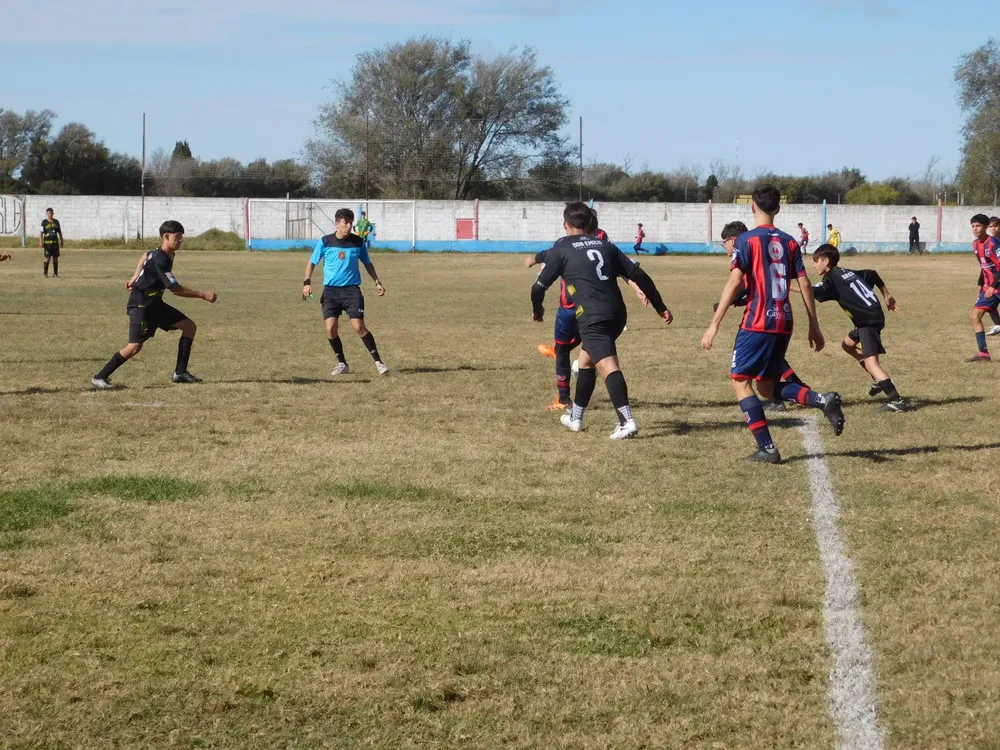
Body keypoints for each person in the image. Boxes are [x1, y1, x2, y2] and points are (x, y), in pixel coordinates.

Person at [701, 185, 845, 465]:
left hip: (757, 322)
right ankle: (821, 400)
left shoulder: (746, 240)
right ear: (778, 209)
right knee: (767, 388)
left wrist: (714, 324)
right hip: (784, 321)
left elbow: (734, 282)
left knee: (740, 382)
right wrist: (814, 325)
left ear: (752, 207)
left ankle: (767, 448)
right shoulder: (791, 242)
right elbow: (803, 283)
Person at [531, 202, 672, 439]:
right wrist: (660, 306)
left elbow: (538, 288)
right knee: (586, 363)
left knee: (608, 367)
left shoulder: (561, 249)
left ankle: (627, 421)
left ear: (565, 224)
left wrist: (538, 311)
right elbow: (639, 275)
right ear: (589, 224)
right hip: (617, 314)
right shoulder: (606, 245)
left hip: (593, 316)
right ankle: (576, 418)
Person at [527, 210, 645, 411]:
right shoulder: (602, 239)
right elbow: (619, 267)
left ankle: (565, 398)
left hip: (572, 305)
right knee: (593, 344)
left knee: (566, 348)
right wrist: (636, 287)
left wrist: (533, 260)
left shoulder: (564, 242)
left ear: (569, 223)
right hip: (595, 305)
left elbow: (547, 255)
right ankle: (575, 377)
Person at [92, 220, 217, 390]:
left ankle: (180, 373)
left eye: (182, 237)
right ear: (166, 236)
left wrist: (134, 277)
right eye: (178, 237)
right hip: (141, 306)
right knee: (134, 347)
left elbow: (145, 255)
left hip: (155, 304)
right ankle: (100, 377)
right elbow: (175, 289)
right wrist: (203, 295)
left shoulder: (164, 253)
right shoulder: (161, 260)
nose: (181, 240)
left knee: (189, 327)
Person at [716, 220, 810, 413]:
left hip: (760, 317)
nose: (724, 246)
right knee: (772, 358)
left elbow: (742, 285)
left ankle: (787, 396)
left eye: (724, 242)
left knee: (746, 377)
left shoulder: (747, 248)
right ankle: (799, 389)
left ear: (733, 240)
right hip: (781, 314)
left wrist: (722, 309)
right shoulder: (765, 244)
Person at [807, 245, 908, 412]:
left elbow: (812, 292)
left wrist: (785, 287)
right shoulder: (845, 272)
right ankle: (877, 380)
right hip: (869, 318)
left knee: (872, 362)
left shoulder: (831, 278)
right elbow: (872, 274)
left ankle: (896, 400)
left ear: (826, 261)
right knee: (847, 345)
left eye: (816, 261)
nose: (814, 265)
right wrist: (887, 295)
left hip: (867, 321)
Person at [303, 208, 389, 376]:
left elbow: (367, 263)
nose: (349, 226)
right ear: (337, 223)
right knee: (331, 328)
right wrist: (307, 283)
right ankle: (342, 363)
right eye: (345, 223)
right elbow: (312, 262)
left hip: (351, 291)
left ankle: (379, 362)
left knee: (358, 326)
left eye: (351, 223)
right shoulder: (325, 242)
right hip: (331, 292)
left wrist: (377, 282)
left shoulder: (358, 243)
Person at [966, 213, 1000, 363]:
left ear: (986, 227)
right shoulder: (975, 244)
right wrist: (980, 285)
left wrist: (993, 286)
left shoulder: (993, 243)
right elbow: (983, 267)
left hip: (996, 286)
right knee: (975, 316)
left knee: (976, 316)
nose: (975, 229)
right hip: (989, 288)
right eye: (973, 226)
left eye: (978, 226)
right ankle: (983, 354)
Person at [984, 216, 1000, 336]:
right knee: (989, 301)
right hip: (995, 277)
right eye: (991, 226)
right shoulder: (991, 242)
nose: (993, 229)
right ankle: (998, 324)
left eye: (995, 226)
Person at [40, 208, 63, 278]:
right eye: (49, 213)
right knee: (47, 258)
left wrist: (61, 240)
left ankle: (55, 273)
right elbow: (41, 233)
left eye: (52, 213)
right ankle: (45, 273)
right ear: (46, 214)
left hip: (55, 243)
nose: (51, 214)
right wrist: (41, 242)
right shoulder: (44, 222)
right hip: (47, 244)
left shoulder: (56, 222)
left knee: (55, 258)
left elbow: (59, 232)